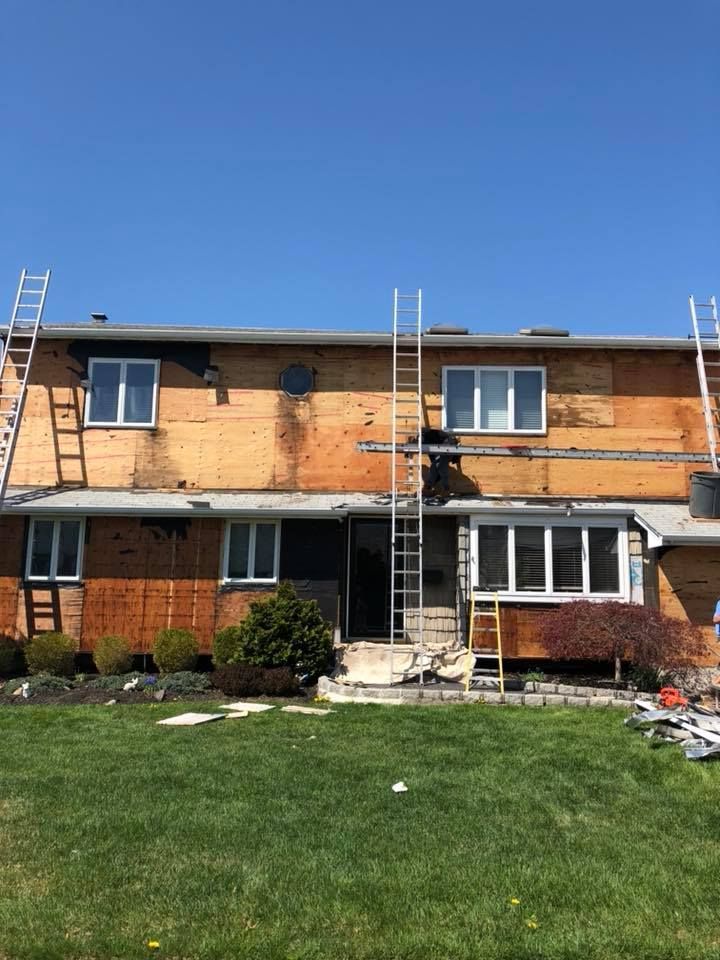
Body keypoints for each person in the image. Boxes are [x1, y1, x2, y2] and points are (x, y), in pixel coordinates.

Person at [421, 427, 461, 498]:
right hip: (440, 452)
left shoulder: (435, 433)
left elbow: (450, 439)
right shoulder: (427, 436)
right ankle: (430, 488)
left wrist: (454, 441)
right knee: (437, 466)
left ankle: (444, 489)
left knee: (440, 466)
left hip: (448, 448)